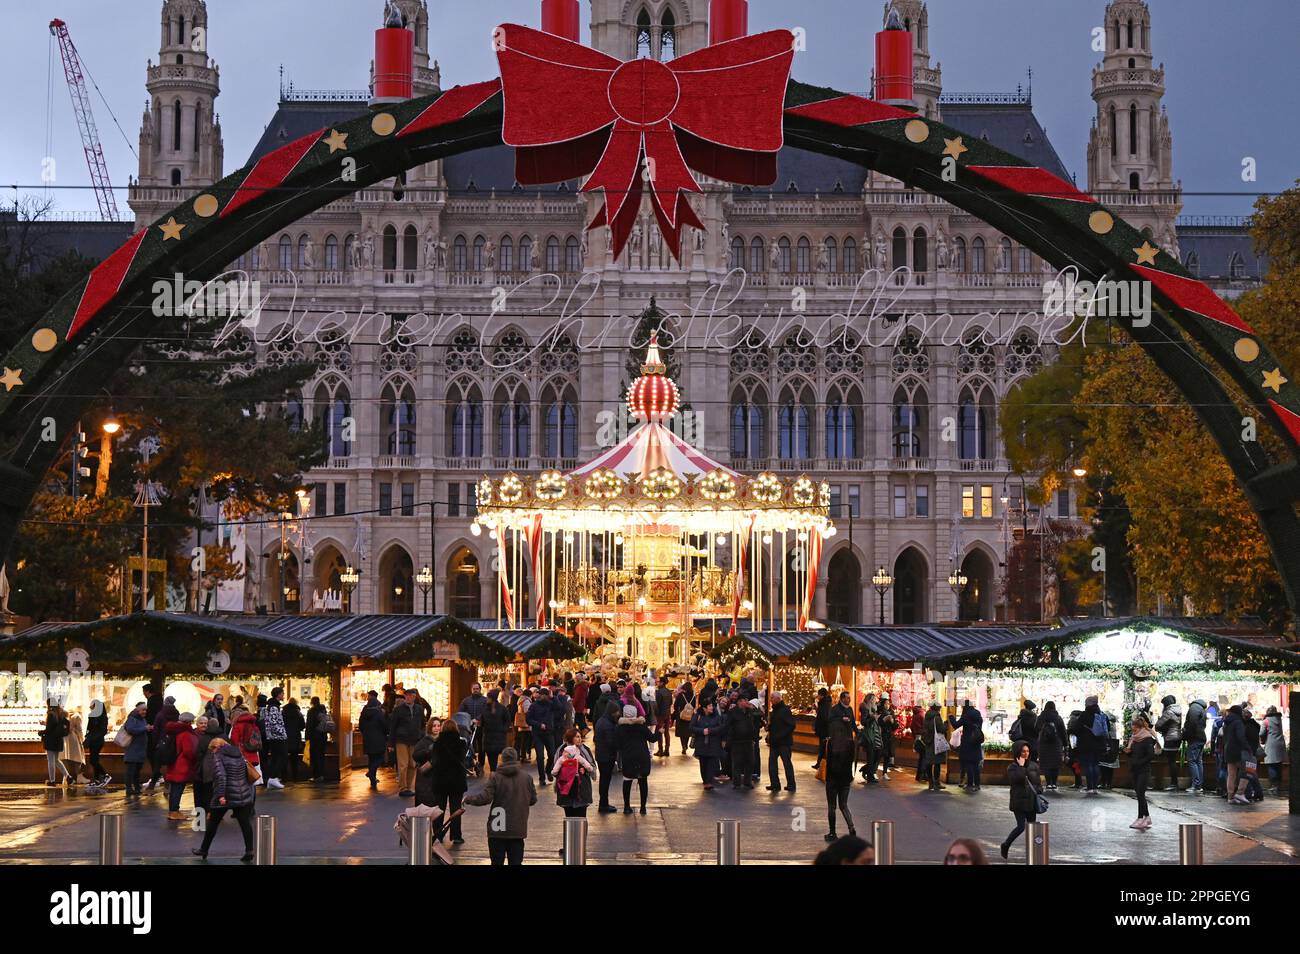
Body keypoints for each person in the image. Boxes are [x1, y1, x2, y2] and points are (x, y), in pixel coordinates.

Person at [463, 747, 537, 865]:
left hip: (497, 827)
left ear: (503, 759)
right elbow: (533, 800)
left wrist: (468, 799)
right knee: (516, 862)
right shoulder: (527, 778)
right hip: (517, 828)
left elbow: (485, 798)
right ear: (516, 759)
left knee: (497, 861)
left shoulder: (495, 777)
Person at [192, 738, 255, 862]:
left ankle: (204, 849)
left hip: (225, 794)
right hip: (242, 793)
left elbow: (221, 776)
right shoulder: (238, 753)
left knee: (213, 822)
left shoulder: (218, 756)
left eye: (212, 749)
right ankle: (249, 850)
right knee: (245, 823)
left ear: (216, 747)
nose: (212, 752)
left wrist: (220, 795)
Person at [416, 720, 468, 845]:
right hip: (457, 781)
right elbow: (464, 760)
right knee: (456, 808)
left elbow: (435, 760)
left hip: (440, 780)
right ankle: (456, 836)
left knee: (439, 808)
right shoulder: (461, 743)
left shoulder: (437, 744)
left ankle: (438, 834)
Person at [552, 727, 596, 855]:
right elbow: (555, 767)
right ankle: (569, 845)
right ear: (570, 738)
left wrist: (584, 769)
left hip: (581, 788)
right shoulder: (561, 750)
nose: (579, 738)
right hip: (566, 789)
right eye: (576, 736)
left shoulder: (585, 750)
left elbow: (592, 766)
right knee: (569, 818)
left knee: (581, 817)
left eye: (579, 736)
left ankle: (581, 844)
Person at [824, 691, 857, 841]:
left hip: (833, 778)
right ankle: (851, 828)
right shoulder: (850, 744)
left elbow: (826, 758)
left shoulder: (830, 744)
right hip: (845, 777)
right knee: (844, 805)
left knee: (832, 806)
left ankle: (832, 832)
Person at [1000, 740, 1041, 860]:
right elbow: (1016, 779)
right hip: (1018, 801)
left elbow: (1038, 782)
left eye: (1027, 751)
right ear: (1018, 752)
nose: (1026, 753)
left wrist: (1039, 791)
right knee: (1021, 827)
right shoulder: (1012, 767)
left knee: (1032, 827)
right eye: (1023, 751)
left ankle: (1033, 853)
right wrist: (1022, 767)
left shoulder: (1034, 765)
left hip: (1031, 801)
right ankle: (1006, 844)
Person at [616, 703, 654, 814]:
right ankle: (643, 807)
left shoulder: (620, 728)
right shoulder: (642, 726)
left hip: (628, 757)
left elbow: (617, 744)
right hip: (642, 756)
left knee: (627, 780)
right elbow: (652, 738)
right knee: (643, 781)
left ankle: (626, 807)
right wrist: (659, 733)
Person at [1125, 714, 1160, 829]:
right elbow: (1133, 753)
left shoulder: (1147, 738)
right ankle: (1147, 817)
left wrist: (1139, 762)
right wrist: (1129, 752)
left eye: (1134, 728)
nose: (1133, 730)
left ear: (1140, 727)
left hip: (1144, 770)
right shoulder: (1134, 739)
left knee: (1140, 793)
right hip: (1135, 769)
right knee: (1139, 794)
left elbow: (1150, 755)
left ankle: (1141, 818)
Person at [163, 713, 200, 819]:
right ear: (189, 722)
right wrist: (194, 759)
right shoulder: (185, 733)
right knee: (178, 789)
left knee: (174, 788)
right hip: (182, 764)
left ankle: (172, 811)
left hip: (173, 763)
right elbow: (188, 751)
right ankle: (174, 811)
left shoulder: (173, 731)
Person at [389, 689, 425, 797]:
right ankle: (403, 788)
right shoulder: (398, 709)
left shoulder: (419, 709)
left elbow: (422, 723)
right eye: (407, 696)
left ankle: (409, 787)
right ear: (405, 697)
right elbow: (393, 726)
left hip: (414, 739)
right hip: (401, 739)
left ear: (414, 697)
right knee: (403, 764)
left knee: (412, 764)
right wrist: (391, 743)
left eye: (411, 696)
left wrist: (421, 735)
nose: (409, 698)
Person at [1070, 695, 1108, 794]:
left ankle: (1090, 786)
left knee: (1088, 765)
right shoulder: (1101, 714)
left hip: (1086, 745)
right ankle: (1095, 787)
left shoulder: (1085, 715)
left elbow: (1076, 729)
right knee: (1095, 764)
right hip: (1099, 745)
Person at [949, 699, 985, 791]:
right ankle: (977, 785)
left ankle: (969, 784)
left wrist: (951, 717)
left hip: (967, 743)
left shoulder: (966, 716)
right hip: (976, 742)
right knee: (976, 764)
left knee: (969, 763)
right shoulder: (978, 715)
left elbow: (956, 725)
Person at [724, 696, 758, 790]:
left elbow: (758, 716)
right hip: (737, 741)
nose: (747, 702)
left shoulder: (749, 711)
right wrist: (727, 738)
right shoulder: (733, 712)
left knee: (750, 762)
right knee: (737, 763)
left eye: (747, 700)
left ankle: (747, 781)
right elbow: (727, 725)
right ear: (739, 702)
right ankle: (737, 783)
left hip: (748, 741)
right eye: (745, 700)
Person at [766, 690, 797, 793]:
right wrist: (769, 727)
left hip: (784, 742)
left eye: (772, 698)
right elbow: (776, 724)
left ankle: (791, 784)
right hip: (775, 742)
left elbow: (791, 725)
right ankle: (775, 784)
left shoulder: (784, 710)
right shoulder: (775, 711)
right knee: (772, 763)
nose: (770, 700)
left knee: (787, 763)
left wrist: (781, 735)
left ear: (778, 699)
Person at [357, 691, 389, 790]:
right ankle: (371, 773)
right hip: (379, 738)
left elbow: (360, 725)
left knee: (371, 758)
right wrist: (386, 733)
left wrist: (365, 733)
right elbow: (384, 725)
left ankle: (373, 779)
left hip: (367, 738)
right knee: (380, 757)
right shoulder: (379, 712)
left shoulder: (364, 710)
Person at [526, 687, 559, 783]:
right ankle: (542, 778)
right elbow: (528, 720)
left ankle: (548, 770)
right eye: (540, 694)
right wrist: (539, 725)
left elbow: (560, 708)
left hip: (549, 733)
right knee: (540, 757)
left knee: (552, 754)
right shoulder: (533, 706)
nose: (541, 696)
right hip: (538, 734)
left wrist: (554, 698)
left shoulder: (551, 704)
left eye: (543, 694)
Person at [692, 700, 725, 790]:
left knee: (711, 763)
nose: (711, 708)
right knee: (703, 763)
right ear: (704, 708)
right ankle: (705, 781)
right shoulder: (697, 716)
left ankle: (709, 781)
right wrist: (702, 731)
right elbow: (691, 727)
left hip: (713, 743)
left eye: (712, 706)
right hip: (701, 744)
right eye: (709, 706)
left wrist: (711, 730)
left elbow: (721, 727)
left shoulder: (716, 716)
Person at [148, 694, 178, 791]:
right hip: (173, 742)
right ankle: (167, 785)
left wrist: (154, 743)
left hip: (161, 742)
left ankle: (151, 785)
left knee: (157, 765)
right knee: (170, 765)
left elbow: (156, 730)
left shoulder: (160, 714)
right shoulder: (176, 713)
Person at [594, 700, 620, 812]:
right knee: (605, 780)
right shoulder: (608, 724)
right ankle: (603, 804)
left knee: (604, 780)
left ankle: (603, 803)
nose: (618, 714)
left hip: (601, 755)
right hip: (606, 756)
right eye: (616, 712)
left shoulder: (602, 720)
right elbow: (611, 742)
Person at [1035, 701, 1067, 791]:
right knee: (1055, 764)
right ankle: (1054, 783)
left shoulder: (1041, 717)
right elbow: (1063, 732)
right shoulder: (1058, 718)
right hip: (1056, 744)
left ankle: (1048, 783)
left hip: (1044, 744)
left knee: (1046, 764)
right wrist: (1065, 744)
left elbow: (1036, 728)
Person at [1154, 695, 1183, 791]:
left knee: (1171, 762)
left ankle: (1174, 783)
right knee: (1173, 761)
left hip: (1170, 738)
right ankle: (1174, 783)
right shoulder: (1178, 710)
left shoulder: (1169, 711)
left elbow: (1158, 725)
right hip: (1177, 737)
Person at [193, 715, 222, 813]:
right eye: (201, 723)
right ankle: (209, 812)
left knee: (205, 791)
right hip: (204, 768)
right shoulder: (196, 735)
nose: (203, 725)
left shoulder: (205, 737)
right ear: (197, 724)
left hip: (203, 768)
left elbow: (198, 754)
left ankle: (206, 812)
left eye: (205, 723)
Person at [260, 688, 287, 790]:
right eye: (282, 693)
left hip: (272, 736)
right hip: (277, 737)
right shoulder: (274, 707)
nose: (283, 695)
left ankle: (272, 778)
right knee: (282, 756)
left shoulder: (271, 706)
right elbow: (273, 722)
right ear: (278, 695)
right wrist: (282, 732)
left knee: (275, 757)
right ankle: (273, 777)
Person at [121, 702, 150, 795]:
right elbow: (130, 729)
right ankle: (129, 788)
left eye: (145, 710)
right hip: (133, 748)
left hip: (140, 749)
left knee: (137, 770)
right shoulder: (132, 719)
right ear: (138, 710)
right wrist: (145, 728)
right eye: (143, 710)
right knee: (131, 770)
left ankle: (137, 787)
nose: (144, 712)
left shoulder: (142, 719)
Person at [480, 688, 511, 773]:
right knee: (491, 758)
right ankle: (493, 773)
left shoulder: (502, 708)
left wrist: (503, 730)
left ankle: (496, 773)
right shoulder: (485, 708)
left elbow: (507, 721)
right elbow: (482, 721)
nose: (487, 699)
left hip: (498, 736)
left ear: (493, 698)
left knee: (497, 756)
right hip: (489, 737)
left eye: (489, 697)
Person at [459, 683, 489, 769]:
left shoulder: (485, 700)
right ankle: (470, 762)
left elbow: (486, 711)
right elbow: (461, 712)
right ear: (471, 690)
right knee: (470, 745)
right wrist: (469, 720)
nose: (475, 690)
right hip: (469, 727)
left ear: (480, 689)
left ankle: (481, 763)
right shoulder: (466, 701)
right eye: (474, 689)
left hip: (482, 726)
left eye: (477, 688)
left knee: (481, 746)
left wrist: (478, 719)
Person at [229, 708, 262, 786]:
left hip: (242, 755)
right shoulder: (254, 726)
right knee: (252, 777)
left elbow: (234, 740)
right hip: (253, 754)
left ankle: (246, 796)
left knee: (243, 779)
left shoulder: (237, 726)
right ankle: (252, 795)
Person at [1182, 697, 1208, 794]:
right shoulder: (1201, 708)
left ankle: (1196, 785)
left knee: (1192, 761)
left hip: (1195, 738)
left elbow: (1192, 723)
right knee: (1198, 761)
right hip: (1200, 737)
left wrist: (1186, 734)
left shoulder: (1194, 708)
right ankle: (1199, 785)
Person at [922, 702, 949, 792]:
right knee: (937, 763)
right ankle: (937, 783)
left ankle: (930, 783)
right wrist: (946, 724)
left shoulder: (927, 717)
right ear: (937, 708)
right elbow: (941, 729)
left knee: (929, 763)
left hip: (928, 742)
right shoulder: (936, 717)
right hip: (936, 743)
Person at [41, 704, 71, 786]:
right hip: (58, 740)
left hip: (51, 740)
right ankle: (68, 776)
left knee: (51, 761)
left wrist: (41, 732)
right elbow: (58, 726)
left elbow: (49, 729)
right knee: (56, 760)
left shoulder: (51, 714)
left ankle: (52, 780)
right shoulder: (60, 713)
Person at [1262, 706, 1286, 796]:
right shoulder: (1279, 720)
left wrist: (1262, 740)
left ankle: (1274, 786)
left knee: (1271, 765)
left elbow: (1261, 733)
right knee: (1278, 765)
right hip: (1280, 745)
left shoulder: (1266, 721)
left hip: (1271, 745)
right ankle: (1279, 785)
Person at [305, 697, 330, 782]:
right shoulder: (323, 710)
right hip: (323, 736)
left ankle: (316, 776)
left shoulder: (311, 711)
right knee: (321, 756)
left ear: (312, 702)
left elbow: (309, 725)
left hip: (314, 737)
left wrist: (307, 737)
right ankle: (322, 774)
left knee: (315, 757)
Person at [142, 684, 162, 789]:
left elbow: (150, 716)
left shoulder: (152, 701)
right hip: (157, 731)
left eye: (144, 692)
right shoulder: (159, 700)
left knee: (151, 753)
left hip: (152, 731)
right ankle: (157, 775)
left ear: (148, 691)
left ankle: (156, 775)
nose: (143, 694)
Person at [84, 700, 108, 785]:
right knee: (94, 759)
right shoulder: (96, 716)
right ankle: (97, 779)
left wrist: (91, 737)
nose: (91, 708)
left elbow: (102, 730)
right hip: (95, 741)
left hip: (97, 741)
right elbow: (90, 729)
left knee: (93, 760)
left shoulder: (101, 717)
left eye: (92, 706)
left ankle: (105, 775)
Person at [282, 697, 305, 782]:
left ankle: (284, 777)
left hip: (285, 738)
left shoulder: (283, 712)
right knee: (294, 759)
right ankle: (295, 777)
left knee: (284, 758)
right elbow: (303, 725)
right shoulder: (298, 713)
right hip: (295, 738)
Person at [62, 708, 86, 786]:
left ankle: (66, 777)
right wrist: (82, 739)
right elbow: (79, 729)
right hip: (73, 738)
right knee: (77, 758)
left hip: (65, 739)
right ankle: (79, 777)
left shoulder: (65, 715)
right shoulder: (77, 716)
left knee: (66, 758)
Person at [1098, 710, 1121, 790]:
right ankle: (1109, 783)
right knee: (1110, 767)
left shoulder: (1106, 723)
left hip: (1107, 745)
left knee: (1103, 765)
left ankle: (1103, 782)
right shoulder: (1113, 722)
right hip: (1113, 746)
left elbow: (1104, 733)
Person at [672, 680, 695, 756]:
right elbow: (694, 706)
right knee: (688, 731)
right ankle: (686, 744)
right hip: (690, 716)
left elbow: (675, 705)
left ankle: (683, 746)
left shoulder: (681, 695)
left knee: (682, 732)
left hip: (681, 715)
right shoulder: (693, 696)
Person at [877, 695, 897, 779]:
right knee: (878, 754)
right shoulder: (879, 712)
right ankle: (873, 771)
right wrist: (884, 720)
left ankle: (884, 772)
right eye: (886, 703)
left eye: (888, 703)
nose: (887, 705)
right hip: (881, 736)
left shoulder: (891, 712)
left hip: (889, 736)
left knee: (887, 755)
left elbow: (895, 726)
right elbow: (878, 722)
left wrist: (892, 722)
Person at [811, 687, 831, 769]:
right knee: (822, 747)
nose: (817, 696)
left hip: (824, 729)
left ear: (821, 695)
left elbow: (823, 717)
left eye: (818, 695)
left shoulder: (824, 704)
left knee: (822, 747)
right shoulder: (825, 703)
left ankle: (820, 764)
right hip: (824, 729)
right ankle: (820, 763)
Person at [654, 677, 673, 757]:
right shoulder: (669, 692)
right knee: (666, 732)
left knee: (659, 731)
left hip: (660, 714)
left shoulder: (658, 692)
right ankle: (667, 750)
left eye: (658, 682)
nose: (657, 683)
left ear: (662, 683)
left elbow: (657, 704)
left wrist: (655, 713)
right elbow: (671, 702)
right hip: (667, 713)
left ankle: (660, 750)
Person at [513, 687, 533, 762]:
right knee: (525, 740)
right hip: (526, 723)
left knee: (523, 740)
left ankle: (522, 756)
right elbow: (527, 711)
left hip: (521, 723)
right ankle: (524, 757)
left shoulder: (520, 700)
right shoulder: (526, 701)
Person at [909, 705, 926, 781]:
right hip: (922, 737)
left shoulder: (915, 715)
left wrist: (914, 735)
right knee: (924, 757)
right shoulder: (922, 714)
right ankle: (922, 775)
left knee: (921, 757)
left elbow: (911, 726)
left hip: (917, 737)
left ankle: (919, 775)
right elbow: (925, 726)